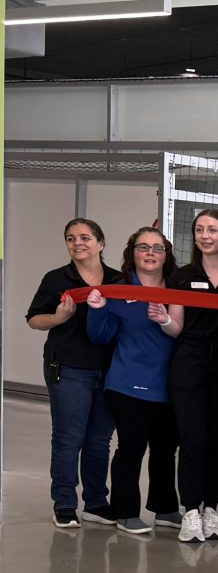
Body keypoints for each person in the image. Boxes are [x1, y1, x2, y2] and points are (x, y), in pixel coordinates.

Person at [27, 217, 123, 529]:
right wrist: (57, 317)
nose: (78, 243)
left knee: (99, 440)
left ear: (101, 243)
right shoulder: (57, 278)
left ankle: (96, 502)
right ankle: (65, 503)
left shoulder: (118, 281)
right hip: (68, 369)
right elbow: (33, 319)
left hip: (109, 371)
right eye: (71, 238)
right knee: (69, 438)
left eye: (85, 237)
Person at [84, 225, 180, 536]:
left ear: (166, 255)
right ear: (132, 253)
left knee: (165, 450)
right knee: (131, 448)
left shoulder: (177, 289)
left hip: (171, 384)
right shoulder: (119, 288)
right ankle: (125, 512)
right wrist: (97, 309)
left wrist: (166, 318)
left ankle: (165, 510)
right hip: (128, 383)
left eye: (157, 248)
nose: (150, 253)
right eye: (143, 247)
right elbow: (100, 336)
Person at [167, 206, 218, 543]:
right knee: (193, 439)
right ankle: (190, 511)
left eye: (212, 230)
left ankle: (211, 507)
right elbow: (176, 326)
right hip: (190, 361)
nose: (205, 236)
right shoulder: (182, 277)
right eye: (199, 230)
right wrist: (161, 320)